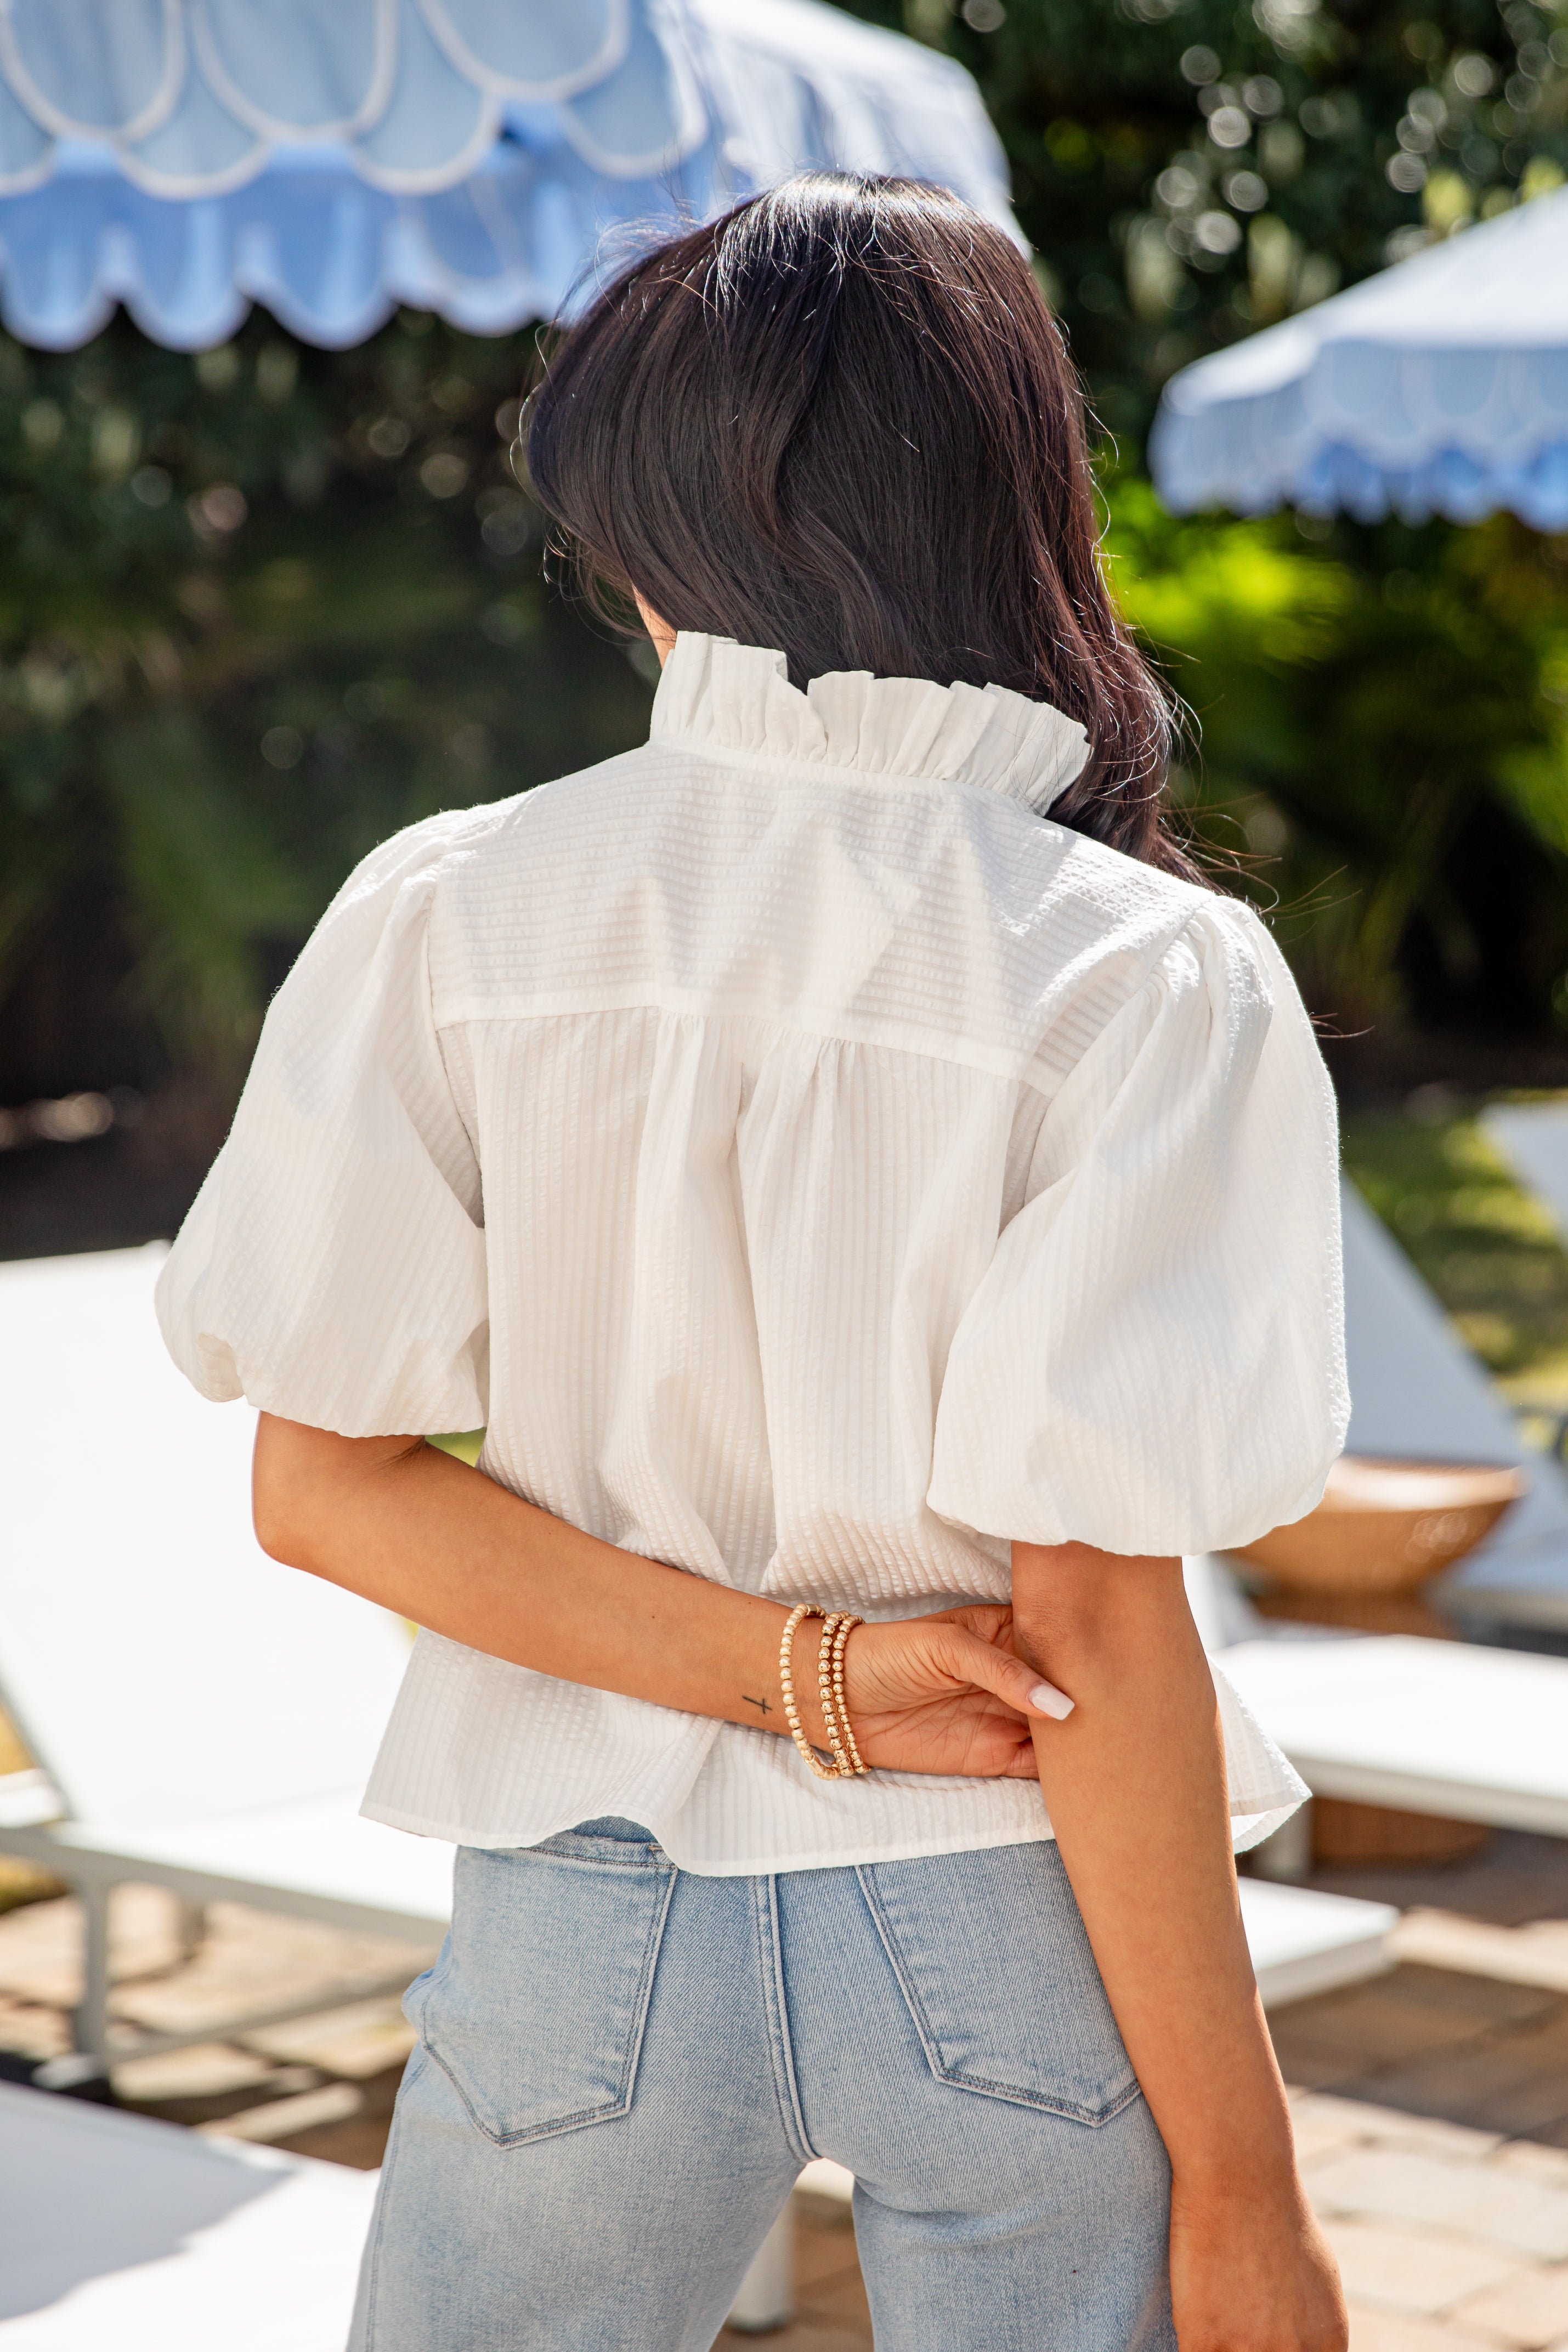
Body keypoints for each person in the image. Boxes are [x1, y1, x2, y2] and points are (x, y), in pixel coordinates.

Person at [157, 173, 1349, 2352]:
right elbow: (1092, 1609)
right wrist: (1253, 2203)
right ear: (1012, 512)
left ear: (648, 541)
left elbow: (320, 1487)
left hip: (580, 1907)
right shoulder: (1147, 973)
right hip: (1004, 1891)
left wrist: (786, 1672)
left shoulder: (450, 907)